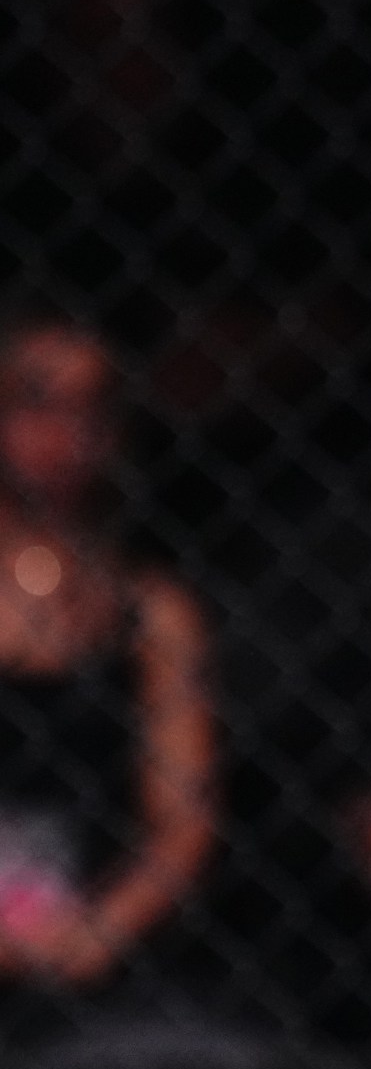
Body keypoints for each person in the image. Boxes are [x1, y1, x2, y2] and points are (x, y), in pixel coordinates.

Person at [0, 318, 215, 1000]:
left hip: (96, 951)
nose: (66, 432)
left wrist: (103, 930)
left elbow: (183, 821)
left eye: (91, 407)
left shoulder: (149, 608)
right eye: (36, 401)